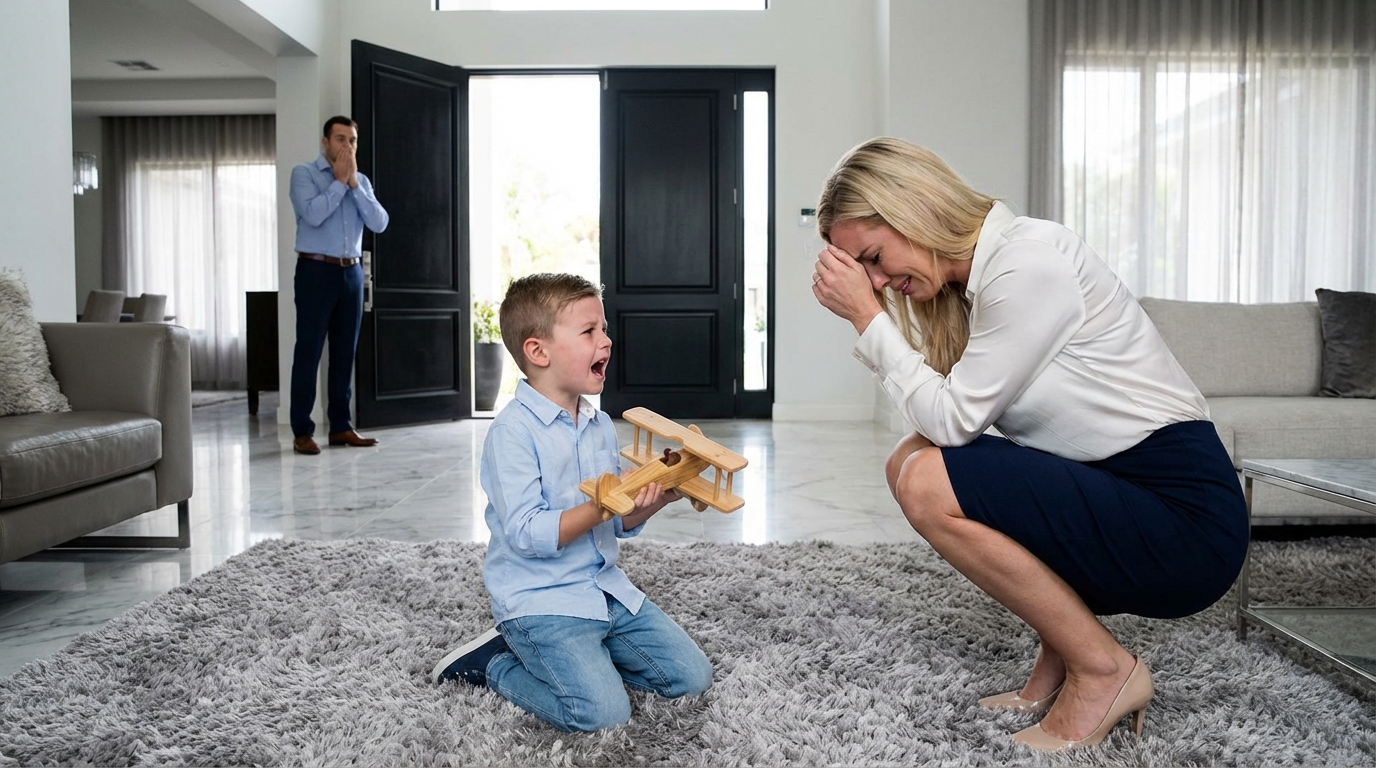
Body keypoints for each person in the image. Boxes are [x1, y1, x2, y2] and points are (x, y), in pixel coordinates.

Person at [810, 138, 1248, 751]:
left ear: (913, 209)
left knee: (927, 478)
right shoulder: (977, 282)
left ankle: (1104, 670)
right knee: (908, 459)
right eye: (868, 276)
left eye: (877, 259)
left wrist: (866, 318)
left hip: (1186, 520)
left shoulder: (1028, 263)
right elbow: (949, 425)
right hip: (1124, 486)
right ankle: (1063, 658)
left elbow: (955, 421)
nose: (881, 283)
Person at [431, 273, 713, 732]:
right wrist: (604, 504)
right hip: (541, 600)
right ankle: (496, 665)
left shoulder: (598, 424)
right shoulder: (512, 434)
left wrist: (665, 490)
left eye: (603, 329)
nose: (606, 340)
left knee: (691, 677)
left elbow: (619, 522)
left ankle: (588, 659)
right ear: (538, 351)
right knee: (602, 715)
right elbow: (526, 533)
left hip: (603, 588)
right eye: (589, 332)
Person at [288, 115, 389, 456]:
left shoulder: (359, 181)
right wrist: (337, 183)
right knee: (310, 351)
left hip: (352, 273)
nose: (347, 146)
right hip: (316, 270)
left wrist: (354, 186)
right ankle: (302, 431)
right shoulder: (303, 174)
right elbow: (312, 215)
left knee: (344, 354)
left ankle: (341, 427)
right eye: (341, 139)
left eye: (352, 140)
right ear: (326, 142)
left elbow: (379, 222)